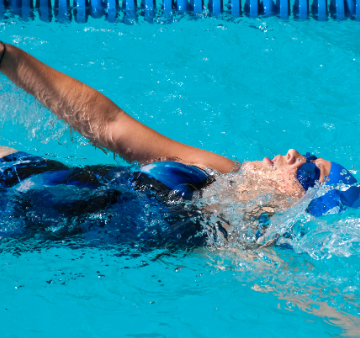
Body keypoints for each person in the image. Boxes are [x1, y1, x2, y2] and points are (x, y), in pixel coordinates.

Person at [0, 42, 358, 218]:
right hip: (39, 177)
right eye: (308, 156)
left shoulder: (239, 241)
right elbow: (112, 126)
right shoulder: (221, 172)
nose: (295, 155)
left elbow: (307, 298)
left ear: (300, 205)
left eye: (309, 171)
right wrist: (6, 57)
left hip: (25, 222)